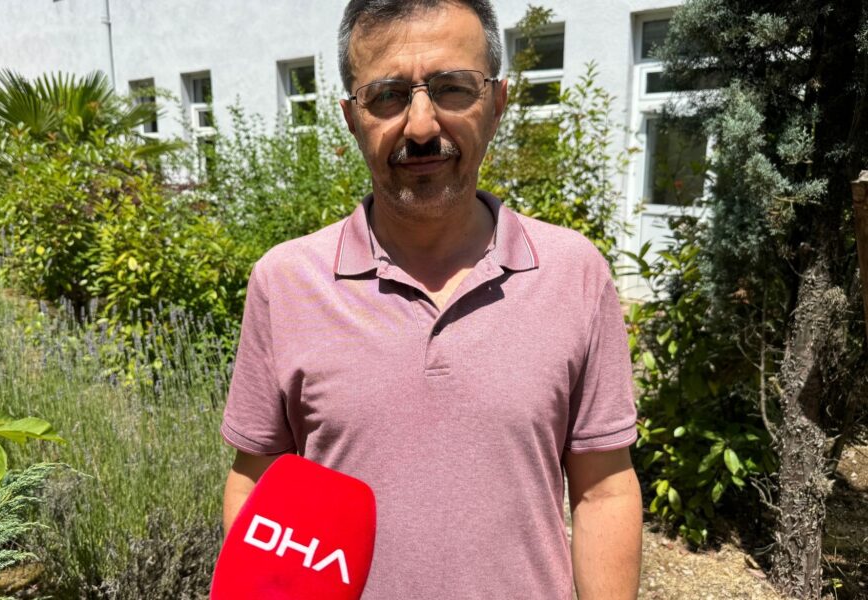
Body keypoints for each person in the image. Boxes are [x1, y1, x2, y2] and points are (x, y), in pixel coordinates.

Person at [220, 0, 642, 597]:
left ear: (497, 104)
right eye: (387, 96)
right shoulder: (286, 282)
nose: (420, 127)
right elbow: (256, 484)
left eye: (452, 88)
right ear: (351, 118)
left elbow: (604, 490)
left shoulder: (574, 274)